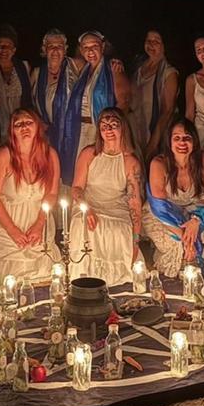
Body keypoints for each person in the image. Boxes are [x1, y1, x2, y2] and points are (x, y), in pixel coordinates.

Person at [0, 108, 60, 280]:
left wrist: (39, 224)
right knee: (9, 271)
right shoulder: (3, 156)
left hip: (37, 217)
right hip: (4, 219)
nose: (24, 127)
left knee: (44, 267)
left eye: (28, 123)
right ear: (12, 130)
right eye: (18, 124)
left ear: (37, 127)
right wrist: (13, 231)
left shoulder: (50, 155)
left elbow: (52, 193)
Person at [66, 107, 143, 287]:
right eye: (104, 126)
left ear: (123, 128)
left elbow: (134, 202)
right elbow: (76, 188)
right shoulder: (88, 154)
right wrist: (87, 209)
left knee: (117, 228)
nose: (108, 130)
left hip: (116, 206)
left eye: (113, 125)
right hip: (89, 203)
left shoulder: (130, 162)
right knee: (84, 225)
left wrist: (136, 240)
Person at [142, 119, 204, 277]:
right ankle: (181, 262)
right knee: (179, 245)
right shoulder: (159, 163)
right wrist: (186, 238)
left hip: (194, 212)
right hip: (164, 215)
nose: (182, 142)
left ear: (194, 141)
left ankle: (192, 263)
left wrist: (196, 220)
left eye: (187, 138)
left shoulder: (202, 158)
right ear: (169, 141)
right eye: (176, 138)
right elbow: (160, 207)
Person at [60, 31, 130, 161]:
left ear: (102, 47)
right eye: (86, 47)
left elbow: (124, 102)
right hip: (80, 129)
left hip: (101, 129)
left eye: (94, 46)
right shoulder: (83, 70)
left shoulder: (112, 68)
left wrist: (113, 132)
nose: (90, 51)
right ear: (81, 50)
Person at [31, 28, 77, 185]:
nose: (56, 50)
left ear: (65, 50)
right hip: (45, 134)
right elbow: (27, 103)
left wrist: (113, 64)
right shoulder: (37, 73)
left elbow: (96, 66)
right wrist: (39, 123)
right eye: (51, 46)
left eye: (60, 46)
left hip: (71, 133)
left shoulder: (75, 68)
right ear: (45, 50)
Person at [128, 29, 180, 159]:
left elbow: (167, 111)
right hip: (135, 129)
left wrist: (153, 144)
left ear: (165, 45)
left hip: (155, 134)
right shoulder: (137, 68)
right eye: (148, 40)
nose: (151, 44)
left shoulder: (169, 73)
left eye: (156, 41)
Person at [0, 24, 33, 145]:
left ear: (14, 50)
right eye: (0, 46)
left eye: (8, 46)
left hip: (22, 124)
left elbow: (30, 97)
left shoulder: (24, 67)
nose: (4, 50)